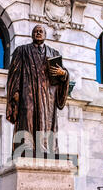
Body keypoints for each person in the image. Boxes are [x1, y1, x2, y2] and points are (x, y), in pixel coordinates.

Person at [6, 25, 69, 155]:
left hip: (48, 96)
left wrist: (63, 74)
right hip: (27, 93)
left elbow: (62, 73)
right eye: (36, 31)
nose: (38, 33)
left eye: (41, 31)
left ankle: (46, 149)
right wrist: (15, 93)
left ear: (45, 35)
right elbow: (14, 74)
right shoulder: (22, 51)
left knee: (47, 121)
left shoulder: (54, 53)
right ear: (32, 34)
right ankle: (25, 148)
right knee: (27, 117)